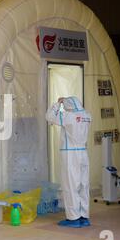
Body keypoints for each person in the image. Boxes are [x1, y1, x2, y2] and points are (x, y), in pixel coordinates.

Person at [46, 97, 92, 228]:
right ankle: (84, 216)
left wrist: (58, 103)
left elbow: (49, 116)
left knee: (71, 185)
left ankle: (73, 218)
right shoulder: (87, 115)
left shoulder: (68, 116)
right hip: (83, 152)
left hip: (70, 153)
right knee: (84, 185)